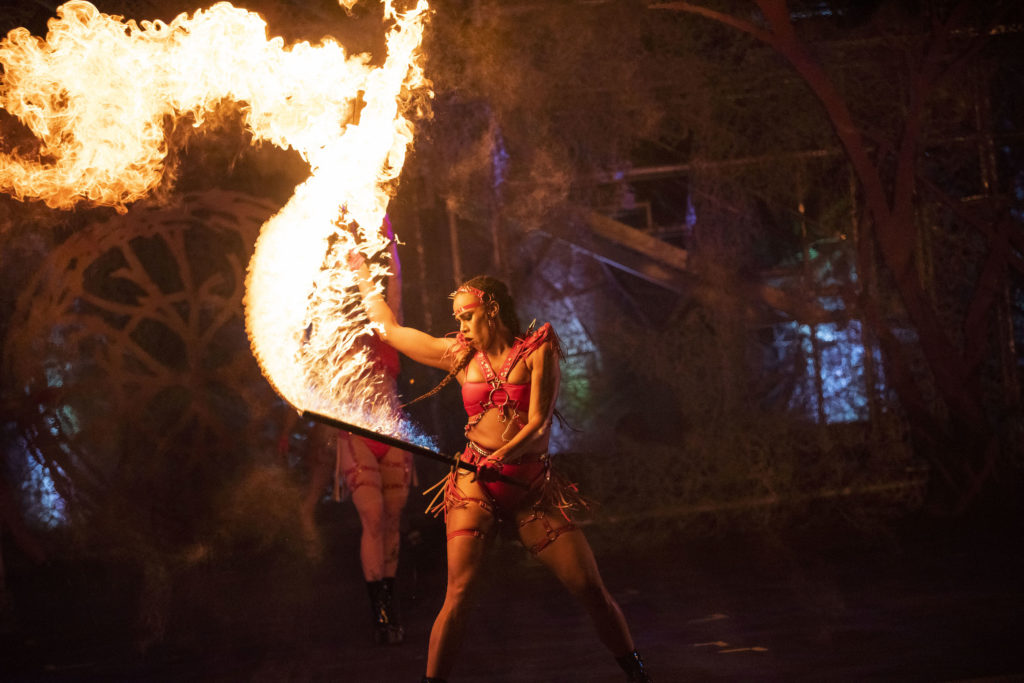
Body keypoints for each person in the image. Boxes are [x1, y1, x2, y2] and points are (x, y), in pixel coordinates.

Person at [351, 267, 653, 682]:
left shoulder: (536, 350)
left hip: (529, 487)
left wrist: (504, 455)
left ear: (491, 309)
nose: (459, 325)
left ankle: (637, 674)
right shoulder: (459, 355)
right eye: (456, 317)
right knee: (457, 595)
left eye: (466, 315)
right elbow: (388, 329)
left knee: (591, 591)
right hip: (473, 484)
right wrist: (361, 270)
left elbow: (540, 423)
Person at [278, 216, 414, 645]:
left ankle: (390, 612)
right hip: (357, 438)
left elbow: (394, 288)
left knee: (391, 521)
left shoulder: (386, 334)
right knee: (373, 518)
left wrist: (389, 239)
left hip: (392, 435)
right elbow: (313, 313)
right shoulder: (334, 345)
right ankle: (381, 617)